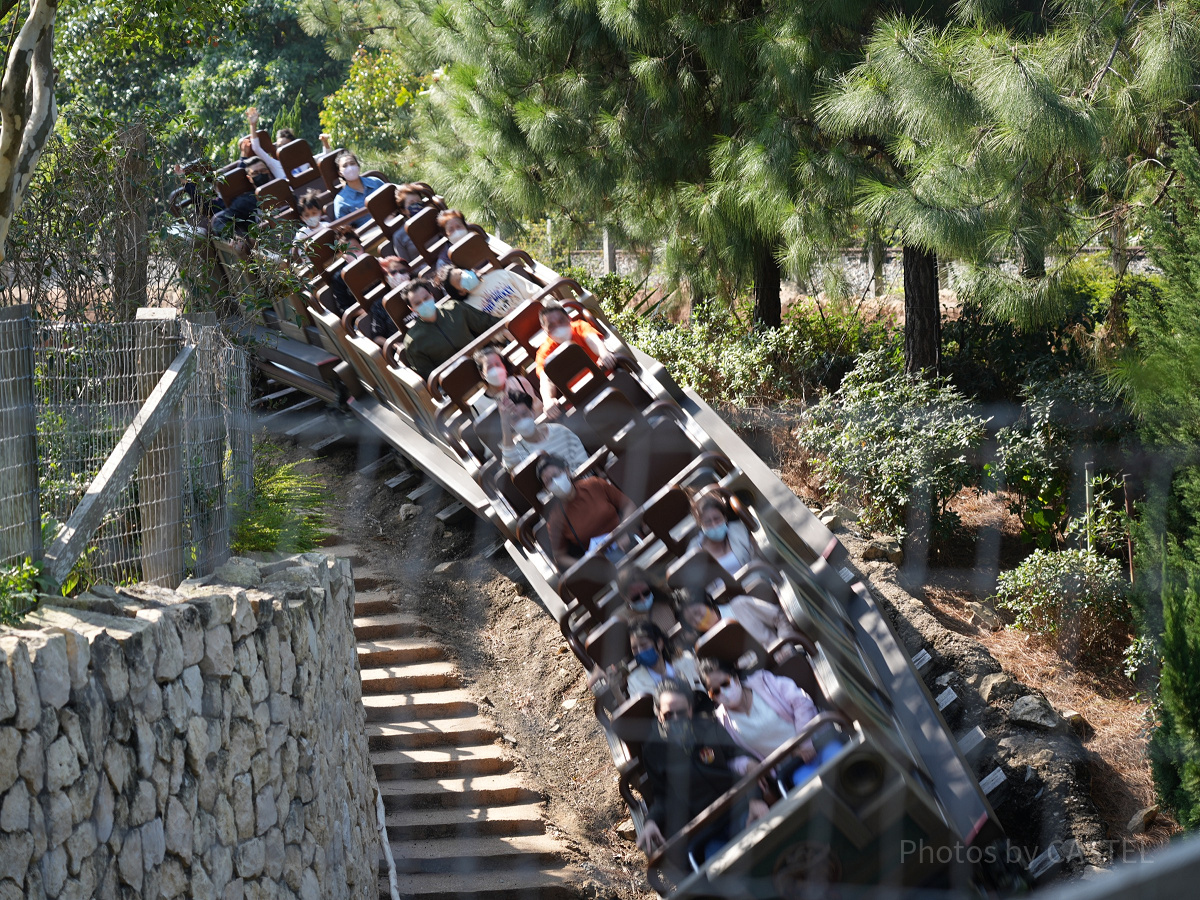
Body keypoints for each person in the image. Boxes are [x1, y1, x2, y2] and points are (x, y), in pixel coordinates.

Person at [635, 679, 768, 864]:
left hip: (738, 808)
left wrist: (755, 798)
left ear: (690, 709)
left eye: (681, 713)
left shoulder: (708, 726)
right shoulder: (653, 749)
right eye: (668, 715)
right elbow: (662, 796)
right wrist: (650, 822)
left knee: (764, 849)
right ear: (658, 714)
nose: (675, 719)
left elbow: (740, 757)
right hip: (704, 831)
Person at [698, 658, 836, 793]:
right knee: (815, 793)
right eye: (715, 692)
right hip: (791, 767)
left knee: (840, 764)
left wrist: (804, 741)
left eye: (725, 684)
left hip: (818, 742)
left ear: (734, 677)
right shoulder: (721, 722)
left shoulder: (764, 683)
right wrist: (747, 765)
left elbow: (801, 702)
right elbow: (730, 758)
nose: (722, 692)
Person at [537, 455, 636, 569]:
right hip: (603, 563)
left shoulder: (594, 484)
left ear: (567, 471)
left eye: (556, 475)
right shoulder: (555, 519)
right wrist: (586, 565)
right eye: (549, 481)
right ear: (546, 489)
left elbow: (628, 505)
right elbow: (559, 556)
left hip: (628, 540)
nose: (555, 482)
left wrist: (622, 531)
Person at [399, 278, 499, 380]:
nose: (424, 304)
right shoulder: (413, 341)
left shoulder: (455, 308)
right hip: (456, 381)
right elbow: (427, 376)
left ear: (432, 295)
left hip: (485, 363)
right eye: (418, 303)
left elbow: (487, 323)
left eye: (426, 298)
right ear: (412, 309)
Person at [534, 302, 616, 410]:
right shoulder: (544, 353)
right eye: (552, 326)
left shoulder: (580, 326)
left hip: (607, 380)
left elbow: (593, 340)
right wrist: (547, 399)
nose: (558, 327)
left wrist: (604, 353)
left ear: (568, 318)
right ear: (545, 329)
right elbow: (546, 379)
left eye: (561, 321)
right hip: (581, 400)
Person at [499, 393, 587, 472]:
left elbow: (583, 464)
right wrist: (504, 423)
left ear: (532, 412)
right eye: (515, 418)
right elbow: (511, 467)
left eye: (524, 414)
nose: (522, 420)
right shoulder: (517, 450)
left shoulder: (559, 431)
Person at [679, 591, 798, 650]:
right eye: (691, 621)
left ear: (707, 602)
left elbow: (779, 616)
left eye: (697, 612)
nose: (698, 620)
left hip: (784, 655)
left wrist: (784, 643)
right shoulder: (709, 647)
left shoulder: (740, 604)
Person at [687, 496, 765, 578]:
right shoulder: (694, 549)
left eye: (717, 519)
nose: (714, 525)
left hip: (755, 584)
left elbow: (756, 528)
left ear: (724, 517)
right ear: (701, 524)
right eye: (708, 522)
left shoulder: (738, 530)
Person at [439, 264, 537, 318]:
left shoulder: (499, 275)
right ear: (460, 292)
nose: (464, 276)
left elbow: (532, 291)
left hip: (535, 312)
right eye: (459, 280)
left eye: (461, 273)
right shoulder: (469, 307)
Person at [472, 345, 542, 417]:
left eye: (498, 364)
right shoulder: (478, 406)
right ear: (482, 374)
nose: (495, 370)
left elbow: (538, 410)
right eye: (490, 367)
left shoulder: (519, 381)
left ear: (504, 366)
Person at [613, 567, 681, 634]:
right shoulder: (622, 619)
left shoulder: (665, 597)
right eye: (636, 597)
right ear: (625, 597)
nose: (643, 599)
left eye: (646, 593)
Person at [211, 160, 269, 236]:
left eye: (263, 170)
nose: (260, 175)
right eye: (255, 173)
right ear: (249, 178)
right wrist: (232, 236)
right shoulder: (245, 202)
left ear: (268, 171)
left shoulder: (282, 186)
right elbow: (220, 222)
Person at [332, 152, 385, 225]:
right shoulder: (341, 201)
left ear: (358, 166)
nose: (350, 168)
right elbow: (345, 229)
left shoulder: (375, 182)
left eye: (352, 163)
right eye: (345, 166)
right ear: (340, 173)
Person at [391, 183, 427, 261]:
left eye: (418, 201)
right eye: (412, 203)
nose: (416, 205)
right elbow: (407, 264)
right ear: (403, 210)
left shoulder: (433, 219)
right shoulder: (399, 236)